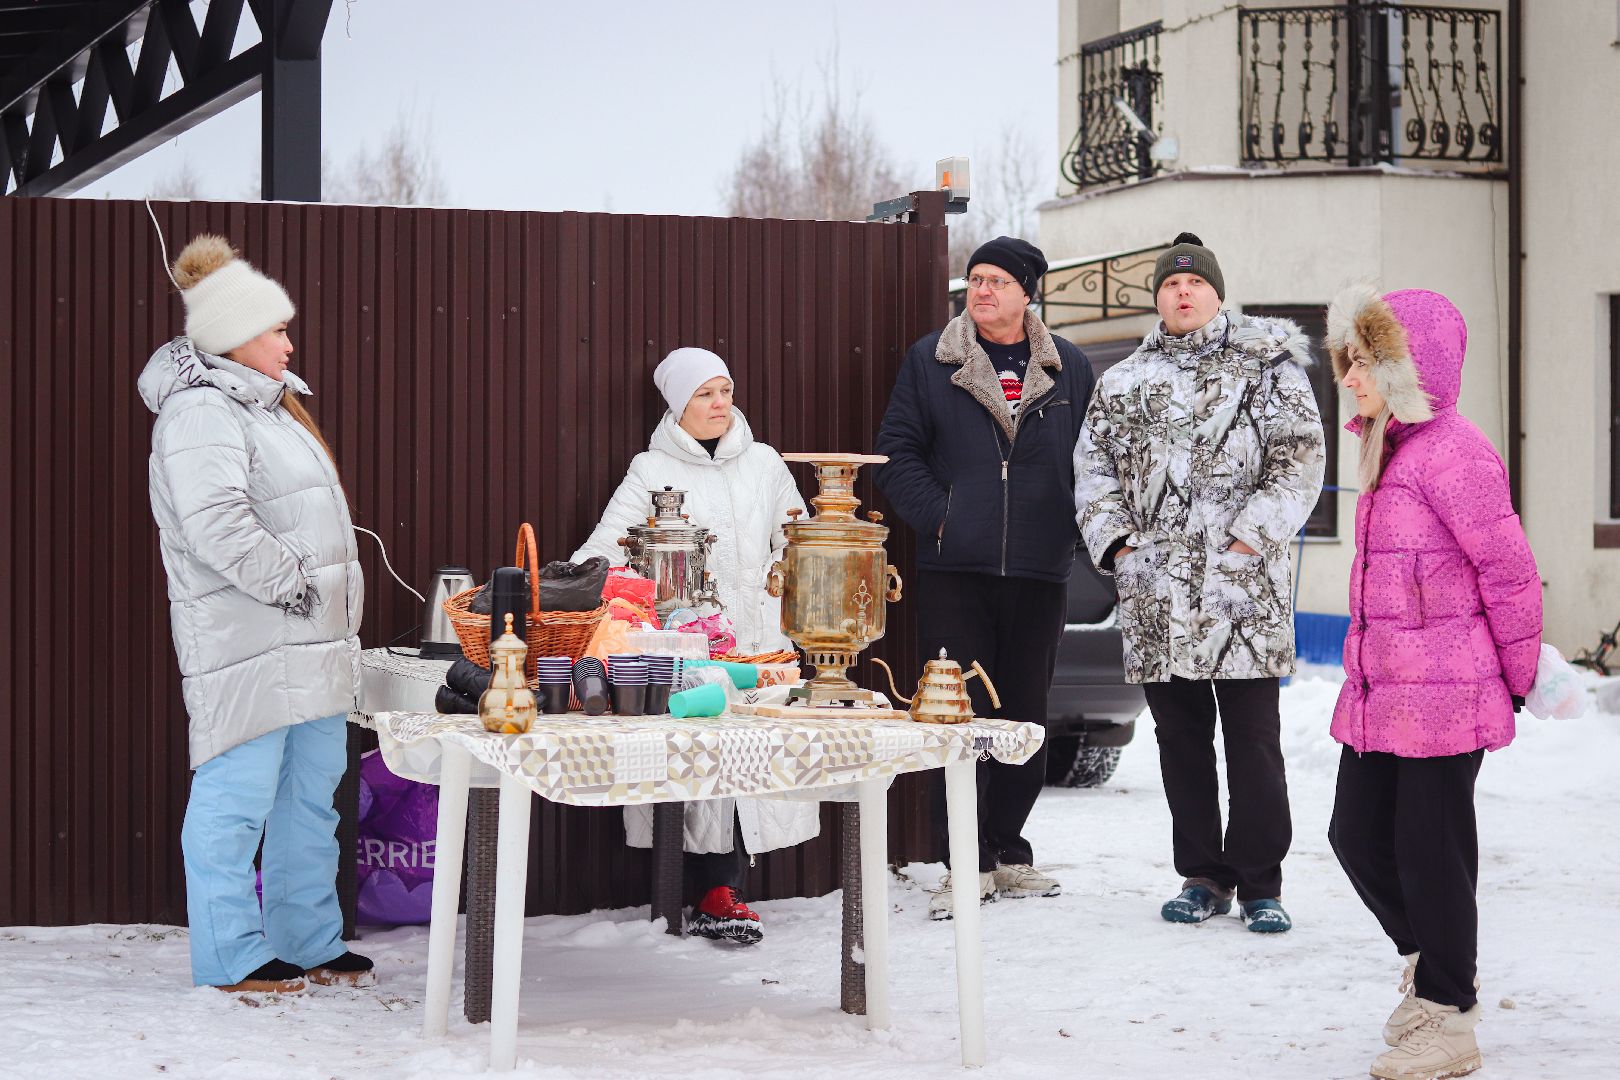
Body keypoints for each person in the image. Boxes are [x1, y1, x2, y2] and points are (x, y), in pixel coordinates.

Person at [1073, 232, 1325, 933]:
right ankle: (1202, 875)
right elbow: (1093, 472)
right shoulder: (1123, 380)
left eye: (1195, 284)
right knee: (1180, 742)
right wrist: (1118, 543)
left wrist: (1251, 535)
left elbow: (1299, 459)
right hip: (1157, 592)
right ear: (1158, 297)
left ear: (1216, 292)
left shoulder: (1266, 367)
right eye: (1170, 285)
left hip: (1242, 591)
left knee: (1253, 742)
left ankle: (1260, 882)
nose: (1182, 293)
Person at [140, 235, 369, 993]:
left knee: (311, 800)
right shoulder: (201, 413)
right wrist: (295, 584)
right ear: (235, 333)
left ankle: (308, 938)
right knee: (237, 801)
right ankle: (231, 954)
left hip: (309, 643)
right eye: (276, 327)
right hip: (250, 641)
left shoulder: (271, 410)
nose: (289, 340)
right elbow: (216, 523)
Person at [1324, 285, 1540, 1080]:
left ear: (1406, 366)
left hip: (1449, 695)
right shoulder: (1392, 447)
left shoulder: (1458, 453)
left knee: (1430, 854)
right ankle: (1433, 964)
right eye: (1347, 361)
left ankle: (1450, 1016)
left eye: (1362, 362)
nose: (1347, 377)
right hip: (1386, 696)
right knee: (1355, 836)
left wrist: (1512, 681)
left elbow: (1511, 575)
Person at [874, 236, 1096, 920]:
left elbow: (1095, 465)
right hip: (955, 571)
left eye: (998, 280)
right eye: (975, 279)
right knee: (958, 718)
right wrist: (943, 520)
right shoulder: (932, 361)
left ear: (1029, 292)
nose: (982, 291)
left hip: (1038, 570)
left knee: (1024, 715)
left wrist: (1068, 532)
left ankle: (1008, 852)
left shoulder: (1070, 368)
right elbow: (898, 453)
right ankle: (962, 864)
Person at [572, 347, 814, 944]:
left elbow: (799, 540)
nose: (720, 404)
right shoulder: (651, 471)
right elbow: (603, 551)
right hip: (690, 647)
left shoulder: (764, 465)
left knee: (754, 762)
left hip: (760, 641)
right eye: (705, 394)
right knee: (701, 765)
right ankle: (710, 891)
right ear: (678, 404)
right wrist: (598, 591)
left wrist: (780, 590)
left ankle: (722, 891)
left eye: (726, 391)